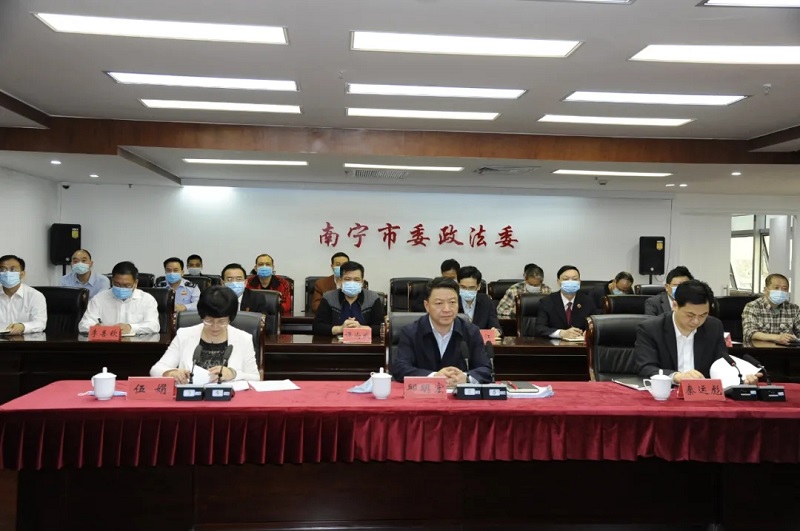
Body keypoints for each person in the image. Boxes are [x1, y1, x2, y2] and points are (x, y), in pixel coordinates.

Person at [635, 280, 760, 384]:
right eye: (690, 315)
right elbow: (646, 368)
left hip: (703, 395)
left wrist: (741, 378)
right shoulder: (651, 329)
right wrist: (676, 376)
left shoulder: (713, 326)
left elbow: (721, 364)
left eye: (703, 315)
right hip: (667, 394)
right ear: (675, 306)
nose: (696, 321)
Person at [392, 277, 492, 384]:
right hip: (425, 392)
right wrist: (434, 376)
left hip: (458, 393)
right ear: (427, 306)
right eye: (439, 303)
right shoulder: (411, 332)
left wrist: (465, 377)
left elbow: (486, 370)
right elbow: (400, 369)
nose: (447, 309)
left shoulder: (471, 332)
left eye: (452, 302)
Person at [150, 286, 260, 383]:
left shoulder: (243, 338)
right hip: (191, 396)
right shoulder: (184, 334)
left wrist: (233, 374)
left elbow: (255, 378)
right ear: (201, 316)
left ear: (231, 318)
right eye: (209, 320)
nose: (215, 326)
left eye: (222, 321)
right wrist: (171, 373)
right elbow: (156, 369)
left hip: (228, 397)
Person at [78, 261, 160, 335]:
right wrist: (95, 327)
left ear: (135, 283)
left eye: (127, 285)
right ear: (112, 281)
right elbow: (83, 325)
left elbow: (154, 326)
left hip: (136, 343)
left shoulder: (147, 299)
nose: (121, 288)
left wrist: (130, 327)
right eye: (117, 284)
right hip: (107, 343)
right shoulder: (99, 298)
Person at [312, 261, 384, 337]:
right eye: (347, 279)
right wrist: (340, 329)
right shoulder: (329, 298)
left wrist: (360, 328)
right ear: (340, 281)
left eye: (356, 280)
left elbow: (381, 327)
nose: (352, 283)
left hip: (364, 342)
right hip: (334, 342)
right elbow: (317, 327)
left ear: (362, 282)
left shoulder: (373, 298)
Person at [535, 265, 597, 339]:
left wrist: (588, 333)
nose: (570, 282)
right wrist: (561, 333)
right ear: (558, 282)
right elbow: (540, 328)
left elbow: (596, 325)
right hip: (554, 344)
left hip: (580, 344)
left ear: (580, 282)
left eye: (574, 279)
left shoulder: (588, 302)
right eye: (566, 279)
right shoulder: (547, 302)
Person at [742, 273, 800, 345]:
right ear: (766, 290)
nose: (780, 291)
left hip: (786, 350)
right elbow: (749, 332)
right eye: (776, 288)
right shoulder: (752, 306)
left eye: (784, 289)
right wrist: (777, 337)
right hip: (760, 350)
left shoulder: (794, 309)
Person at [0, 254, 47, 335]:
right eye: (2, 270)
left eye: (12, 269)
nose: (7, 273)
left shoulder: (35, 296)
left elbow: (40, 323)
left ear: (22, 274)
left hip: (25, 340)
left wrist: (23, 326)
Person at [457, 266, 501, 337]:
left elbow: (495, 326)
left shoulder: (487, 302)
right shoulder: (452, 302)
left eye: (471, 288)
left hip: (481, 342)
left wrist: (496, 331)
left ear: (478, 286)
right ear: (458, 285)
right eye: (463, 287)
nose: (467, 291)